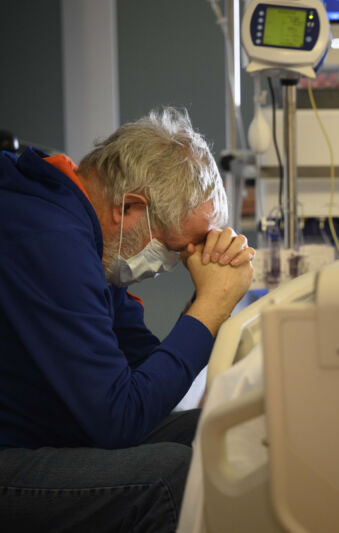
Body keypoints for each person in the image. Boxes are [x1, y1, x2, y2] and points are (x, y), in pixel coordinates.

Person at [0, 107, 255, 532]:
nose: (184, 261)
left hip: (40, 429)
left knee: (218, 432)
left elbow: (144, 376)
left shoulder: (86, 233)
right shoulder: (49, 240)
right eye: (180, 248)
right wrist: (211, 309)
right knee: (170, 477)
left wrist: (207, 300)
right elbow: (120, 419)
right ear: (130, 208)